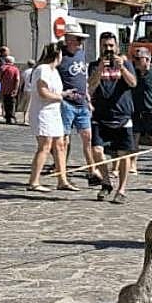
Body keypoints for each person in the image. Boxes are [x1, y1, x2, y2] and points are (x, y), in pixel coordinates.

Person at [88, 31, 138, 204]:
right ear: (100, 47)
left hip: (122, 115)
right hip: (100, 115)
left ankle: (121, 189)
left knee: (123, 154)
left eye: (111, 46)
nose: (108, 49)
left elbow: (133, 83)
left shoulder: (127, 64)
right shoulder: (94, 65)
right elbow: (91, 87)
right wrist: (100, 68)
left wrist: (122, 68)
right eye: (105, 46)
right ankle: (106, 182)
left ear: (116, 47)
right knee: (96, 150)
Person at [25, 43, 76, 192]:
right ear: (57, 54)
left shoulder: (54, 71)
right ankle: (34, 181)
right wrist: (60, 97)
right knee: (45, 146)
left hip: (54, 112)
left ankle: (62, 180)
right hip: (43, 112)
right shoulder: (42, 69)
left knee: (60, 145)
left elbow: (54, 91)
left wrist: (65, 94)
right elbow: (43, 92)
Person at [56, 23, 100, 186]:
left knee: (87, 137)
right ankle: (62, 171)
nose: (81, 42)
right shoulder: (60, 55)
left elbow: (83, 77)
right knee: (64, 140)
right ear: (68, 39)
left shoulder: (81, 53)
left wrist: (88, 97)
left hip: (82, 102)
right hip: (66, 102)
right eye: (78, 38)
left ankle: (91, 169)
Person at [0, 56, 21, 124]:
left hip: (4, 89)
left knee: (6, 104)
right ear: (12, 61)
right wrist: (16, 89)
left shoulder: (2, 68)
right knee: (12, 104)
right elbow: (17, 79)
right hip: (12, 89)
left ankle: (7, 118)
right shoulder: (15, 69)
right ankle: (12, 118)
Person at [18, 59, 36, 124]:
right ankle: (26, 120)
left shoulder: (25, 72)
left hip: (26, 89)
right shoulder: (35, 71)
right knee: (29, 105)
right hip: (32, 90)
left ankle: (25, 119)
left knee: (25, 104)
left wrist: (20, 89)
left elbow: (22, 82)